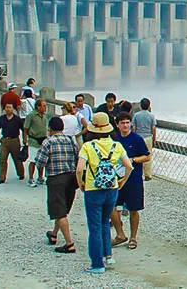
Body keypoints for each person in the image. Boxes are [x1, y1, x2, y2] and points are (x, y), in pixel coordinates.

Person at [76, 112, 132, 274]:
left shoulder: (88, 146)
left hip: (93, 190)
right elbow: (129, 166)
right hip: (112, 188)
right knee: (105, 222)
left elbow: (80, 168)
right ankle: (108, 255)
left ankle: (97, 264)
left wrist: (80, 182)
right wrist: (121, 181)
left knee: (94, 226)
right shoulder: (117, 146)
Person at [35, 117, 80, 254]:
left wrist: (40, 175)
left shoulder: (48, 142)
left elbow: (40, 161)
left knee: (59, 210)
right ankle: (54, 234)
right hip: (71, 178)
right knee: (63, 208)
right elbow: (78, 157)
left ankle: (69, 243)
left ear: (51, 129)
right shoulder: (71, 141)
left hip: (56, 178)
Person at [110, 112, 150, 250]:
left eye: (127, 123)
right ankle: (120, 234)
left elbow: (147, 156)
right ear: (117, 125)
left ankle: (133, 237)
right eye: (122, 123)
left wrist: (132, 160)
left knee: (134, 209)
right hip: (116, 178)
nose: (125, 125)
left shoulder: (137, 139)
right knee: (112, 206)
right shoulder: (113, 139)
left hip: (133, 179)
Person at [0, 103, 26, 184]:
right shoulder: (2, 118)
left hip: (14, 140)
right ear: (4, 109)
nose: (8, 109)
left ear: (13, 109)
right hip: (4, 140)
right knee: (2, 160)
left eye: (10, 107)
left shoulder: (17, 119)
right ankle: (1, 177)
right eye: (7, 107)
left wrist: (24, 139)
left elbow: (23, 129)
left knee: (17, 159)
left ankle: (21, 173)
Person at [131, 98, 157, 181]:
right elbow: (153, 128)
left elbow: (134, 127)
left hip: (138, 137)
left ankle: (138, 173)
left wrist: (133, 137)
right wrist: (154, 139)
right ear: (149, 106)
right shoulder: (151, 116)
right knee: (148, 156)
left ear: (140, 105)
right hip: (148, 137)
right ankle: (148, 175)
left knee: (138, 155)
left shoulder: (136, 115)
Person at [24, 99, 48, 187]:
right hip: (34, 139)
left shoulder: (45, 116)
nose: (45, 107)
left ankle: (40, 177)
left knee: (42, 160)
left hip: (43, 139)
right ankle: (31, 178)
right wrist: (25, 139)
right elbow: (26, 128)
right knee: (33, 160)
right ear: (38, 107)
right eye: (43, 106)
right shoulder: (31, 116)